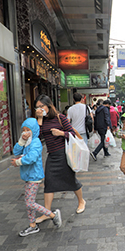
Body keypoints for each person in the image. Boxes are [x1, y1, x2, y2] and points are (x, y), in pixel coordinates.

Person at [34, 94, 86, 224]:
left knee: (71, 179)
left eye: (41, 106)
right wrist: (39, 120)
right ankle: (47, 212)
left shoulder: (60, 117)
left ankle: (81, 201)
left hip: (64, 154)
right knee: (49, 183)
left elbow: (73, 133)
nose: (39, 109)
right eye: (37, 107)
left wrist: (61, 133)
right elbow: (37, 137)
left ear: (48, 105)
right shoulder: (40, 121)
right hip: (51, 155)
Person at [12, 118, 62, 236]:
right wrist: (21, 141)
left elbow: (32, 157)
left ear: (34, 130)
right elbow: (16, 151)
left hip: (34, 176)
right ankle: (32, 225)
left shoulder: (35, 142)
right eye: (23, 130)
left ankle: (53, 215)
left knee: (30, 203)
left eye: (28, 130)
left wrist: (18, 162)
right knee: (28, 202)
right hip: (28, 176)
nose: (25, 132)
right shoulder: (26, 142)